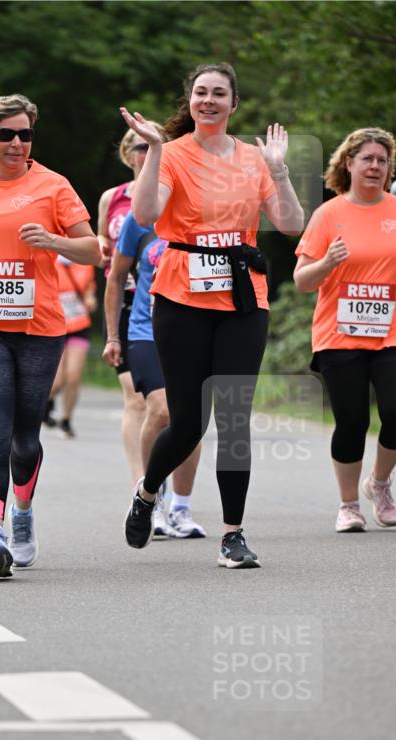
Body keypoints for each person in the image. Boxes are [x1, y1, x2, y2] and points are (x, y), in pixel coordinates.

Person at [121, 62, 304, 567]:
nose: (208, 100)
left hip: (243, 299)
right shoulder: (172, 154)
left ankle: (232, 535)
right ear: (191, 100)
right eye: (201, 92)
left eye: (218, 94)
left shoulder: (253, 159)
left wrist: (279, 168)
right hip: (181, 299)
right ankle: (147, 492)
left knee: (235, 418)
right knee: (188, 423)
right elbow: (143, 215)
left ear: (233, 104)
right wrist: (155, 150)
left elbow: (291, 224)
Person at [0, 93, 101, 579]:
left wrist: (54, 242)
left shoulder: (53, 185)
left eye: (25, 134)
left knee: (26, 436)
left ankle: (22, 514)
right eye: (6, 134)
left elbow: (91, 249)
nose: (16, 143)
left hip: (39, 325)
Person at [294, 127, 396, 531]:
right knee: (352, 419)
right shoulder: (329, 214)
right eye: (367, 159)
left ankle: (380, 483)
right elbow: (303, 280)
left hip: (390, 332)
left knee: (395, 411)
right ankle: (349, 505)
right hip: (339, 333)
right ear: (348, 164)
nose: (375, 166)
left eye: (382, 160)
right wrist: (327, 263)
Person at [103, 208, 206, 539]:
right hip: (145, 331)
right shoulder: (140, 218)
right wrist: (112, 336)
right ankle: (151, 498)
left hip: (195, 331)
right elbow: (117, 277)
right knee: (161, 409)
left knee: (191, 419)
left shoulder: (209, 210)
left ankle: (181, 507)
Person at [97, 129, 149, 483]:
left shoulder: (172, 195)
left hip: (165, 302)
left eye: (154, 146)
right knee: (136, 397)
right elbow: (102, 234)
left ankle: (174, 492)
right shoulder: (112, 197)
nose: (147, 153)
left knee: (168, 406)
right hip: (123, 301)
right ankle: (140, 484)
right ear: (128, 154)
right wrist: (102, 245)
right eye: (141, 146)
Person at [48, 254, 97, 439]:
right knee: (56, 380)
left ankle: (66, 420)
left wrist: (90, 300)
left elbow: (89, 290)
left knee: (74, 377)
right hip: (55, 327)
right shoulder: (50, 261)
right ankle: (48, 403)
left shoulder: (84, 262)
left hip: (79, 326)